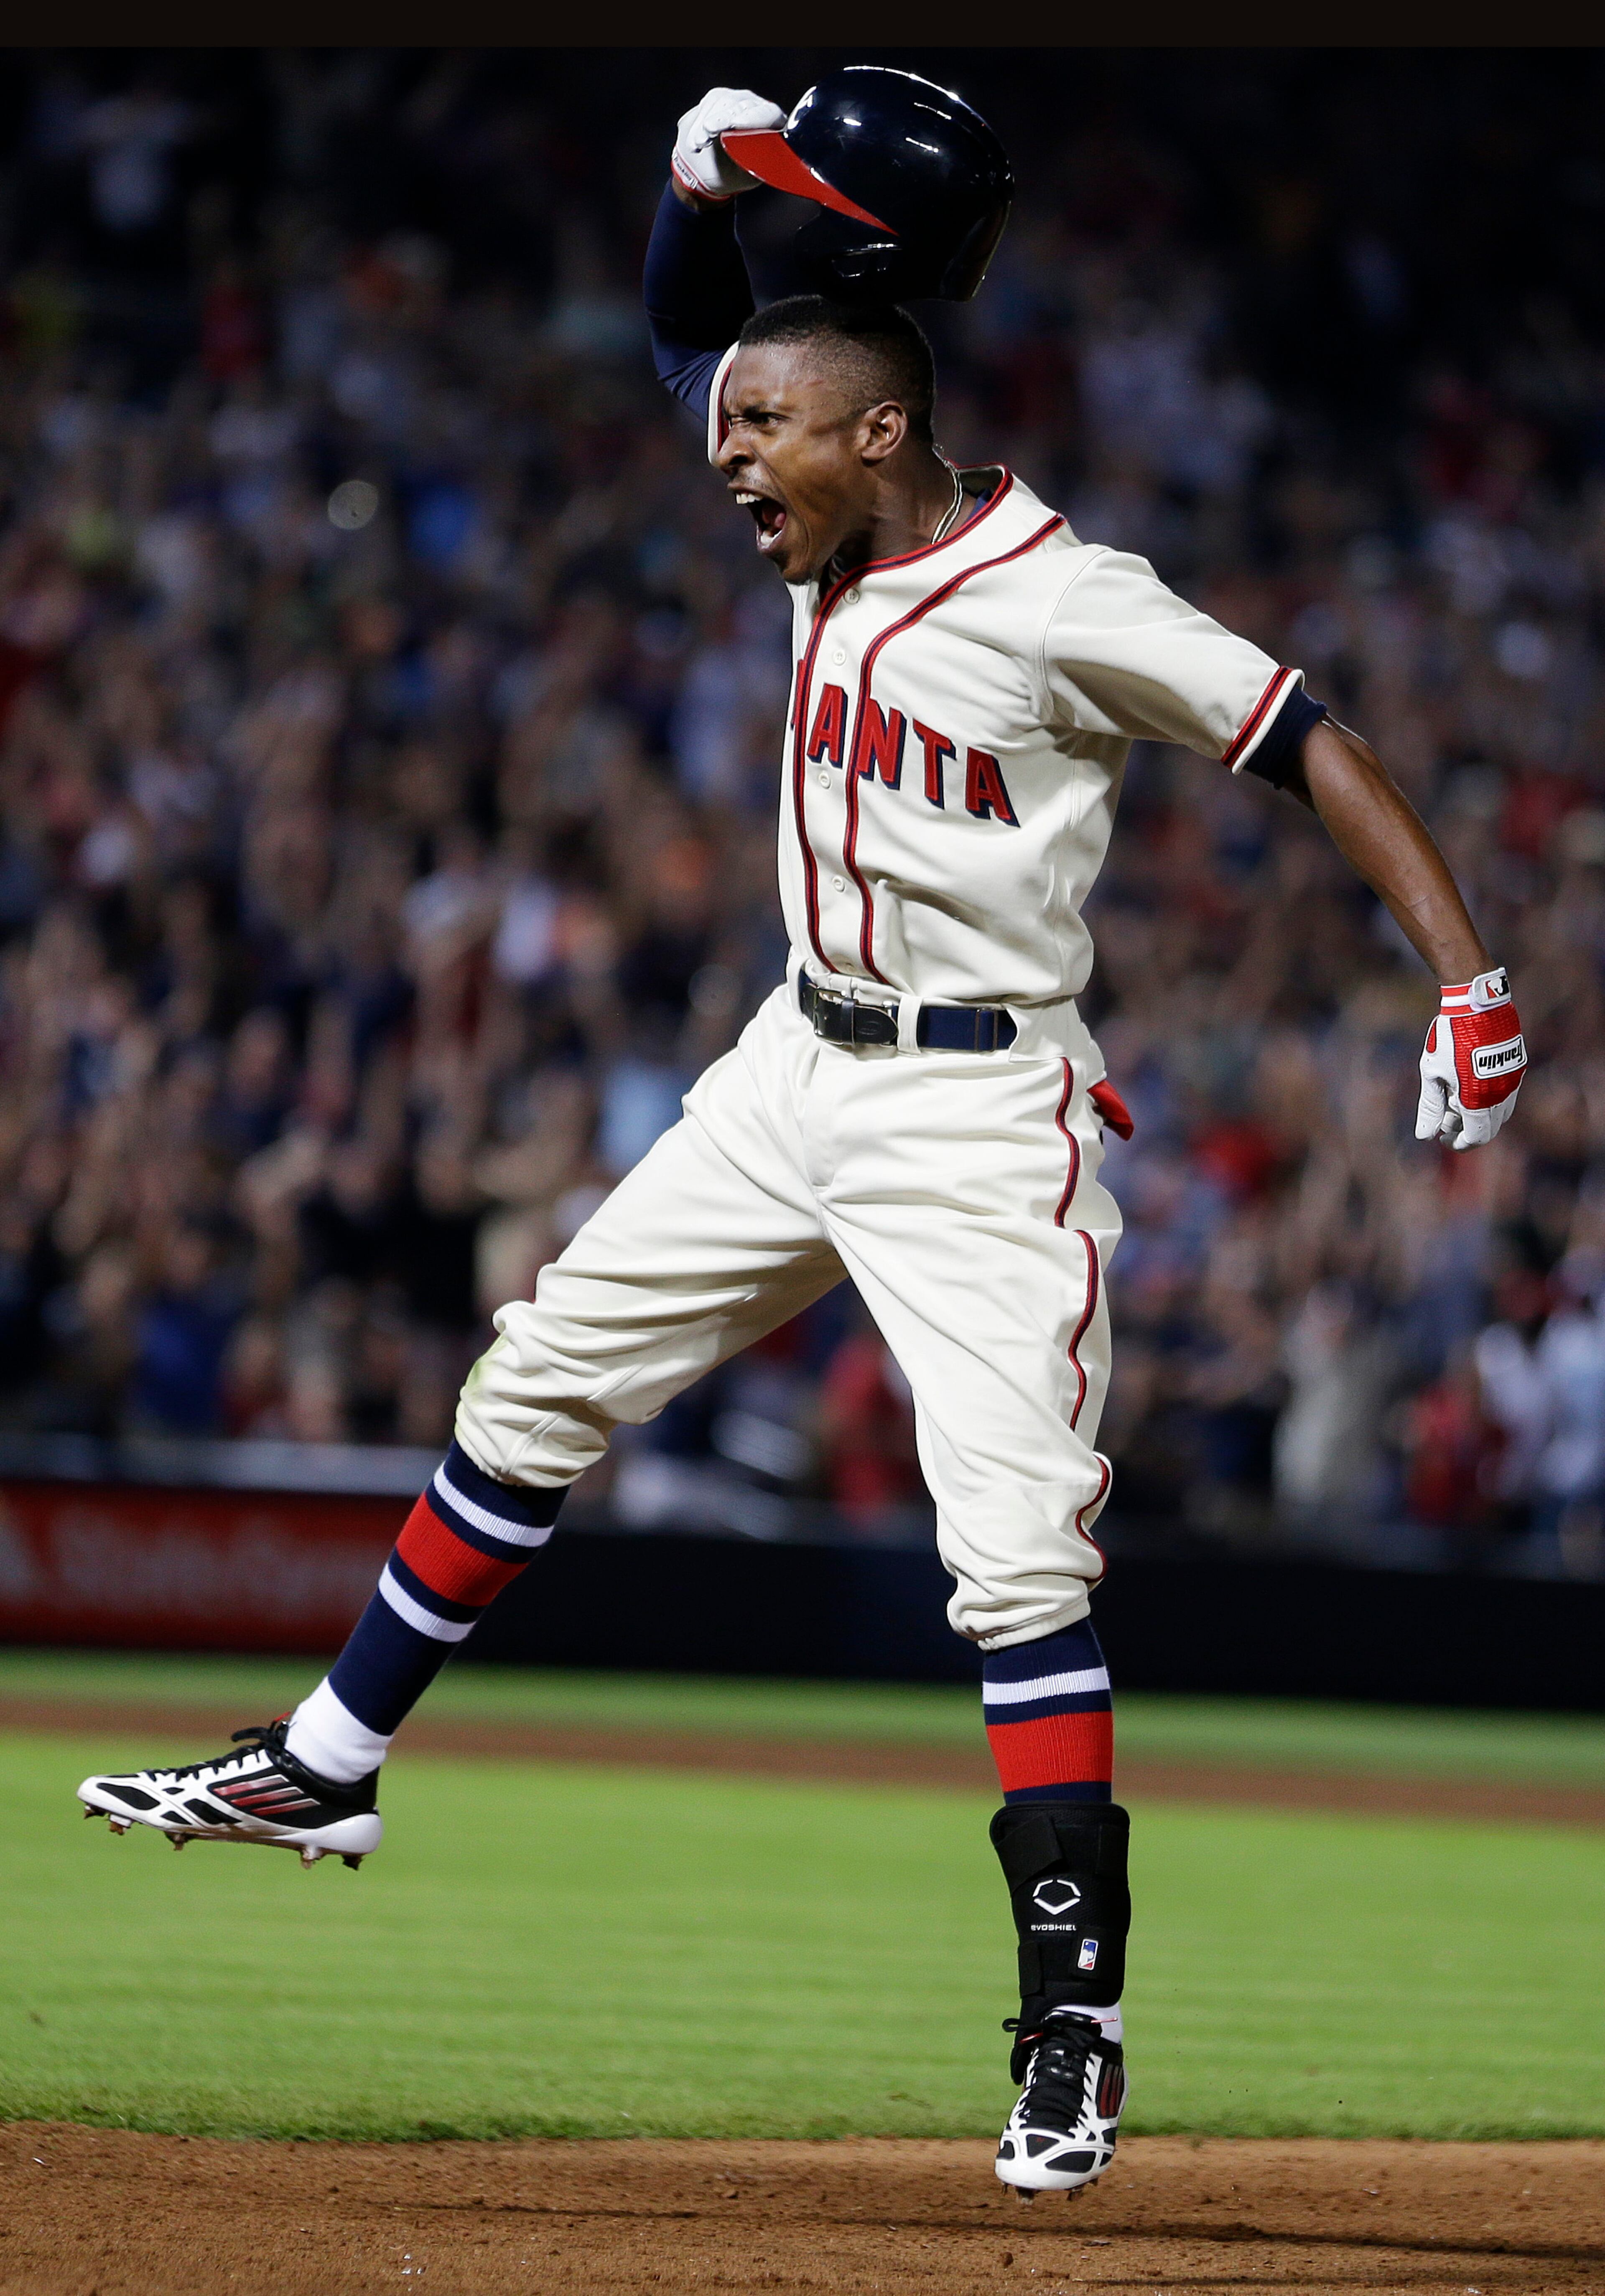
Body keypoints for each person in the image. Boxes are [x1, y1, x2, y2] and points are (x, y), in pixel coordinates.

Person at [78, 84, 1528, 2200]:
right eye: (734, 427)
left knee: (1018, 1566)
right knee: (537, 1379)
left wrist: (1471, 978)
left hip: (975, 1107)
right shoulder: (823, 518)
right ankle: (328, 1763)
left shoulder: (1064, 596)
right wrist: (690, 192)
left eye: (763, 430)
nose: (723, 454)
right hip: (789, 1070)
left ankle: (1074, 2028)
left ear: (873, 433)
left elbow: (1311, 742)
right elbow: (696, 334)